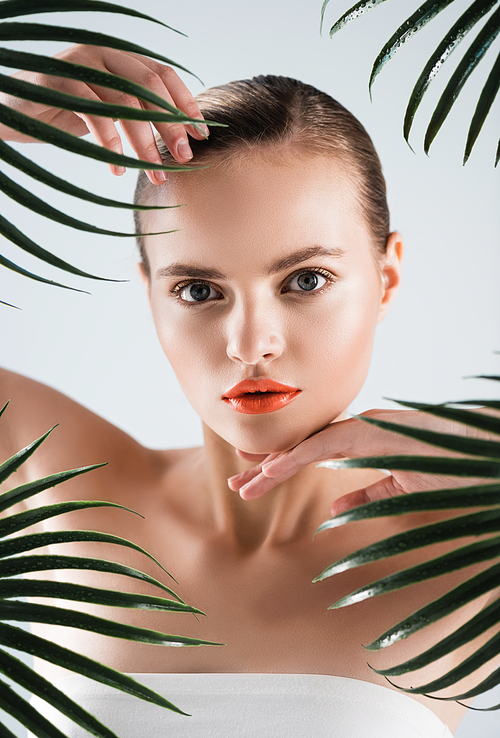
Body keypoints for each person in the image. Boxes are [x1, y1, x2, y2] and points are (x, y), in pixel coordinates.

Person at [0, 45, 491, 737]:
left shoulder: (468, 546)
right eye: (199, 290)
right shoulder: (46, 479)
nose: (249, 342)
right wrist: (8, 122)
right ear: (150, 295)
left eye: (305, 280)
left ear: (387, 278)